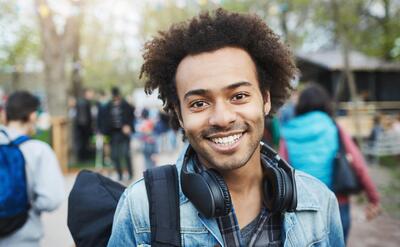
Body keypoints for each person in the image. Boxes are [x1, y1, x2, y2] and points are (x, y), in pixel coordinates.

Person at [108, 9, 344, 246]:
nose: (222, 118)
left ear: (265, 99)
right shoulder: (140, 208)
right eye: (199, 103)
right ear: (179, 115)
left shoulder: (319, 203)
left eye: (239, 96)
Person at [279, 83, 380, 243]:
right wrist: (373, 198)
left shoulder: (288, 131)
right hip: (337, 202)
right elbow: (359, 164)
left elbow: (281, 169)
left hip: (302, 206)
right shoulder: (333, 127)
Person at [0, 91, 64, 247]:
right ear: (32, 116)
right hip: (22, 237)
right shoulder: (38, 150)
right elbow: (51, 200)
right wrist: (28, 203)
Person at [101, 87, 134, 181]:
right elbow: (103, 119)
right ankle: (119, 174)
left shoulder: (126, 105)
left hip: (124, 134)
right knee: (115, 155)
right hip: (113, 134)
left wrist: (129, 126)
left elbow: (132, 116)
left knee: (125, 153)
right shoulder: (108, 106)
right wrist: (104, 131)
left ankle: (130, 174)